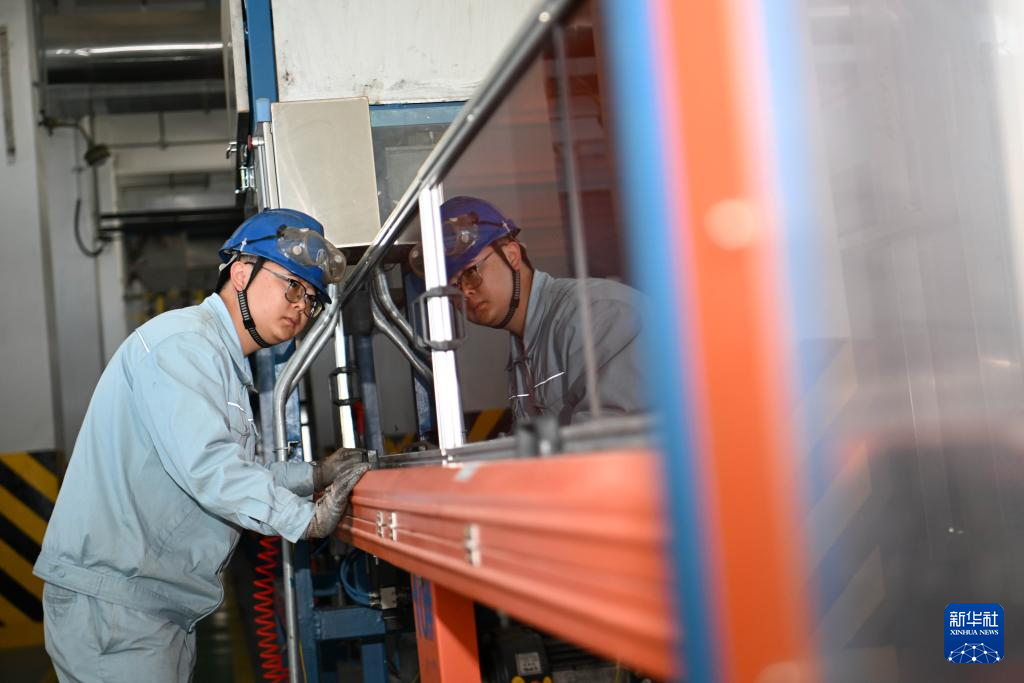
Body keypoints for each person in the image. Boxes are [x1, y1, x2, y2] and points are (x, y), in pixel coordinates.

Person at [33, 208, 369, 682]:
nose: (301, 306)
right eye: (293, 286)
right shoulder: (183, 345)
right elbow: (208, 469)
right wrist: (304, 519)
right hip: (116, 609)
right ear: (241, 273)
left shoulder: (218, 360)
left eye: (312, 300)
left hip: (150, 605)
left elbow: (230, 468)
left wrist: (314, 475)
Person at [440, 196, 645, 425]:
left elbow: (615, 434)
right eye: (453, 287)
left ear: (511, 255)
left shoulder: (596, 312)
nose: (465, 292)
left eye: (471, 273)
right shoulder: (525, 350)